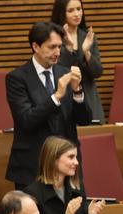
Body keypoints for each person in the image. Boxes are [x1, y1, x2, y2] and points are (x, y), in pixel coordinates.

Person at [6, 21, 91, 190]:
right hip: (33, 165)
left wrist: (77, 91)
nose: (57, 52)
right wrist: (57, 96)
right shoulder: (17, 78)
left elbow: (85, 119)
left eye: (59, 47)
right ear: (36, 46)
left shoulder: (65, 71)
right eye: (52, 47)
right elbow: (26, 120)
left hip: (67, 167)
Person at [50, 0, 104, 123]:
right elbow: (55, 69)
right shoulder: (53, 38)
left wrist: (86, 52)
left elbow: (97, 72)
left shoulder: (88, 36)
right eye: (71, 10)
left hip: (89, 97)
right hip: (64, 96)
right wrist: (69, 48)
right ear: (61, 13)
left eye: (79, 9)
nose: (77, 14)